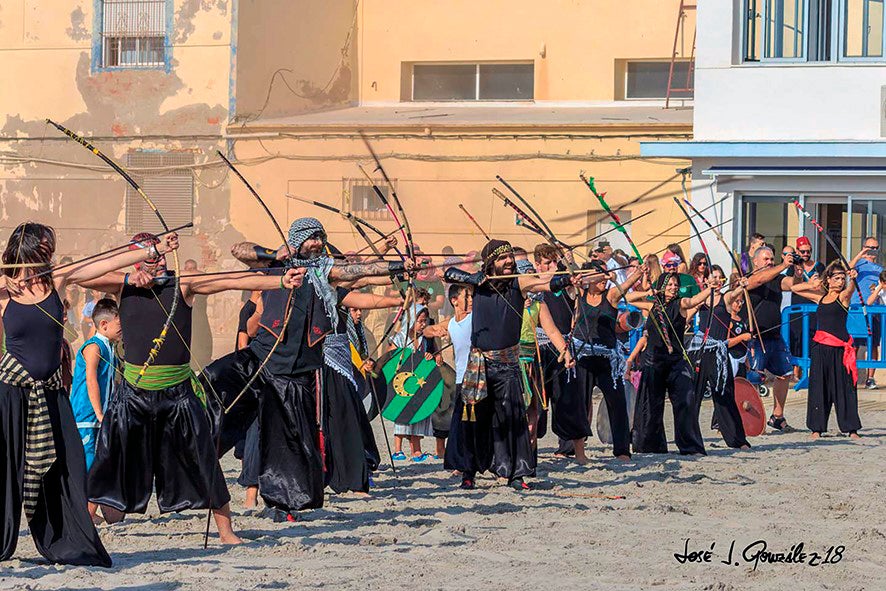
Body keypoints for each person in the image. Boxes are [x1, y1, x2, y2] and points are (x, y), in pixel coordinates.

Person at [85, 232, 305, 544]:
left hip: (177, 394)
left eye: (159, 255)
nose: (156, 260)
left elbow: (230, 280)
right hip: (133, 392)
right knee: (109, 455)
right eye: (148, 255)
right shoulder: (122, 284)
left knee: (204, 457)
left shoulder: (183, 283)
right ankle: (86, 518)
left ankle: (226, 532)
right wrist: (129, 273)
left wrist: (281, 281)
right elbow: (84, 275)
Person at [203, 217, 411, 519]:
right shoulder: (275, 269)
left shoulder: (325, 273)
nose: (316, 243)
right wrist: (275, 255)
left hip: (297, 374)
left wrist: (396, 268)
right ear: (296, 240)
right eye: (310, 238)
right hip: (261, 361)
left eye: (320, 238)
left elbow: (357, 272)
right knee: (217, 402)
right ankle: (197, 464)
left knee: (291, 443)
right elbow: (239, 250)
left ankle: (283, 504)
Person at [0, 222, 169, 566]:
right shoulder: (4, 289)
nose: (52, 251)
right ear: (31, 247)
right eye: (46, 246)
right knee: (6, 469)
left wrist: (149, 251)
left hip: (50, 395)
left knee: (69, 465)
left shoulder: (56, 280)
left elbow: (99, 264)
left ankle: (67, 542)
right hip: (12, 393)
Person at [443, 239, 575, 490]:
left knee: (513, 420)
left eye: (509, 258)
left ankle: (516, 475)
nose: (508, 262)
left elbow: (545, 283)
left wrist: (566, 280)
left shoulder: (518, 282)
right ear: (491, 262)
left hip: (508, 366)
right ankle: (468, 473)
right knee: (474, 420)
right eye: (502, 259)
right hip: (479, 365)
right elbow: (448, 273)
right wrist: (475, 279)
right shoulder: (478, 284)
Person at [627, 272, 715, 455]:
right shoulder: (652, 305)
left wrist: (709, 289)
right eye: (670, 285)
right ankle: (650, 446)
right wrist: (651, 292)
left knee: (686, 400)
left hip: (675, 362)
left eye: (676, 285)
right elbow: (628, 297)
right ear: (662, 285)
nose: (674, 288)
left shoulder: (680, 304)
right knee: (651, 404)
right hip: (653, 361)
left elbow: (693, 301)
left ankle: (690, 446)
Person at [568, 261, 646, 463]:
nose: (604, 278)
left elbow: (626, 286)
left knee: (617, 403)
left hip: (607, 361)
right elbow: (567, 284)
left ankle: (622, 450)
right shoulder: (579, 294)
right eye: (600, 274)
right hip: (583, 357)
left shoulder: (610, 295)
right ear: (589, 277)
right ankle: (578, 452)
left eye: (606, 274)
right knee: (579, 405)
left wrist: (639, 273)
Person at [69, 298, 126, 524]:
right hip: (86, 415)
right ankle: (84, 514)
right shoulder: (94, 347)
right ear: (104, 325)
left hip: (102, 415)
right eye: (119, 327)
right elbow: (91, 381)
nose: (122, 331)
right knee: (90, 462)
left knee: (103, 461)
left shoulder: (111, 348)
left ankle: (102, 510)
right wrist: (99, 413)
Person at [792, 263, 862, 439]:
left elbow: (850, 291)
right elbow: (795, 288)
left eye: (842, 278)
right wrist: (812, 284)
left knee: (845, 388)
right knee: (819, 388)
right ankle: (817, 428)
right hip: (821, 348)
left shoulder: (843, 297)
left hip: (840, 350)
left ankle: (851, 429)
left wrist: (853, 278)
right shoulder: (821, 298)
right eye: (836, 278)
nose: (840, 282)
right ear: (828, 280)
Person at [687, 266, 750, 450]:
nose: (717, 280)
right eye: (713, 277)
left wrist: (741, 286)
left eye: (720, 278)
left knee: (725, 394)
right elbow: (687, 317)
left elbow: (735, 294)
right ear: (706, 280)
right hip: (700, 350)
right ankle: (689, 439)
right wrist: (698, 303)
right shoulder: (701, 299)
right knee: (693, 395)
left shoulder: (725, 298)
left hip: (718, 351)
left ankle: (737, 439)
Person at [744, 246, 800, 431]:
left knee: (785, 374)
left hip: (775, 335)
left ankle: (777, 416)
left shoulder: (777, 278)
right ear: (756, 261)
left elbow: (792, 284)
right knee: (754, 377)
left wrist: (798, 272)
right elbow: (759, 279)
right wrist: (783, 264)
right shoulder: (749, 277)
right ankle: (750, 418)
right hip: (755, 336)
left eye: (772, 259)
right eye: (766, 259)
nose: (770, 262)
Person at [389, 305, 437, 462]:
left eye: (425, 321)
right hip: (402, 382)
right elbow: (391, 358)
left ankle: (417, 450)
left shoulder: (425, 339)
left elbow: (430, 357)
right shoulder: (400, 338)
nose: (423, 324)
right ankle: (397, 450)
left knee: (418, 415)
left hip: (419, 382)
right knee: (402, 416)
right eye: (420, 321)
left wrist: (430, 357)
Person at [848, 236, 882, 389]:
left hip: (874, 309)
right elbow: (848, 268)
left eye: (875, 248)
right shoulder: (860, 264)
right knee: (854, 344)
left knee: (873, 344)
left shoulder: (880, 269)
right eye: (870, 247)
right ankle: (851, 376)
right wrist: (861, 254)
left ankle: (870, 378)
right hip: (857, 308)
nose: (872, 251)